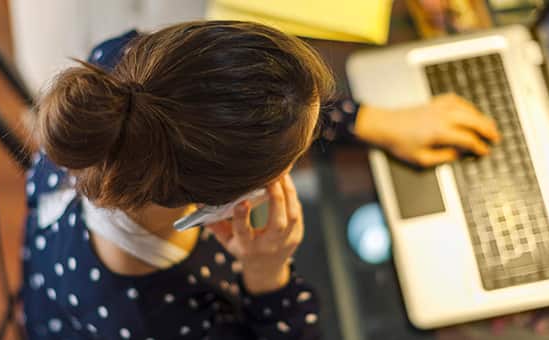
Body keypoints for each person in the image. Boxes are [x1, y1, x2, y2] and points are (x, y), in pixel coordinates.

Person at [23, 21, 330, 339]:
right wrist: (267, 275)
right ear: (229, 198)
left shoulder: (116, 69)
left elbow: (240, 106)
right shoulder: (155, 321)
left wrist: (361, 120)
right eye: (289, 161)